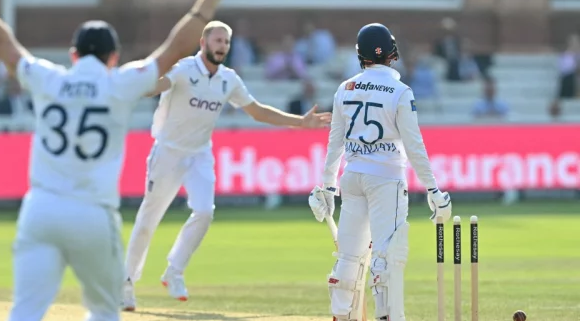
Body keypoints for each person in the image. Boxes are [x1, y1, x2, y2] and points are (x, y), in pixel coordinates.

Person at [0, 0, 235, 320]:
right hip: (93, 214)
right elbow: (176, 48)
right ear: (113, 57)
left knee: (25, 310)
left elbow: (2, 45)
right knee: (103, 311)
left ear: (73, 55)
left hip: (40, 210)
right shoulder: (119, 83)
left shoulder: (48, 79)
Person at [122, 20, 332, 311]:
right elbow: (153, 87)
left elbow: (257, 111)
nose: (222, 46)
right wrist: (135, 77)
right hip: (168, 152)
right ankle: (126, 284)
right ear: (203, 43)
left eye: (226, 42)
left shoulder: (228, 79)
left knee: (205, 212)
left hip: (200, 154)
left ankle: (174, 270)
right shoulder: (184, 69)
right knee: (148, 220)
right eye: (218, 41)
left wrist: (300, 122)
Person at [307, 23, 452, 321]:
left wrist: (326, 187)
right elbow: (414, 145)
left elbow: (334, 142)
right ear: (391, 53)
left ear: (361, 54)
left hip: (353, 177)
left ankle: (342, 316)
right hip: (386, 179)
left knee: (348, 256)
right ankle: (389, 317)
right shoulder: (400, 91)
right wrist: (433, 190)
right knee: (387, 257)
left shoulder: (344, 89)